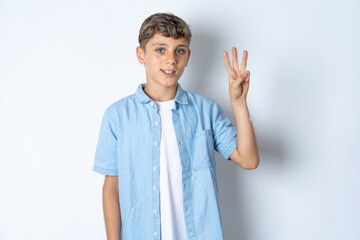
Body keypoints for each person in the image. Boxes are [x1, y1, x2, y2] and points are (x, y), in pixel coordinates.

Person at [93, 12, 259, 240]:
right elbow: (112, 188)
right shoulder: (117, 116)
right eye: (160, 49)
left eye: (179, 50)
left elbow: (249, 160)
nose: (171, 59)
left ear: (188, 57)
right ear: (141, 54)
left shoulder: (206, 110)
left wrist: (239, 104)